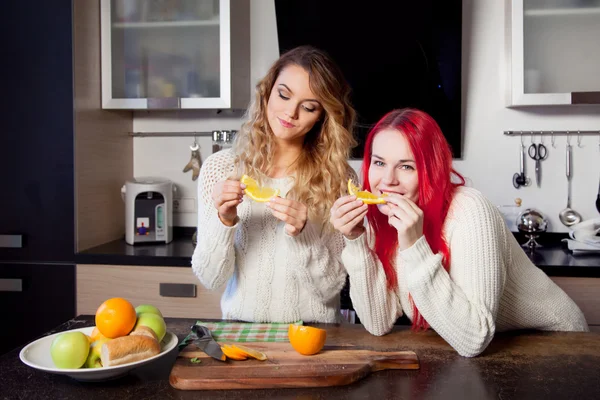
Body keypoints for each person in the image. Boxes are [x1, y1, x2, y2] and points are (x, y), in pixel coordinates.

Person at [330, 108, 588, 357]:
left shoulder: (469, 210)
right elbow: (378, 322)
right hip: (488, 346)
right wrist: (355, 241)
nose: (387, 180)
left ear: (431, 169)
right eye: (379, 162)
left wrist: (414, 245)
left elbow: (474, 338)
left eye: (406, 166)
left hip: (555, 341)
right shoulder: (380, 219)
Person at [191, 46, 357, 323]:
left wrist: (303, 234)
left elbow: (329, 288)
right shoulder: (220, 169)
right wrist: (225, 219)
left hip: (312, 337)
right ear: (267, 91)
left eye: (308, 107)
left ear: (322, 116)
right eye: (283, 94)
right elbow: (211, 277)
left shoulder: (339, 179)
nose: (291, 113)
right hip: (241, 333)